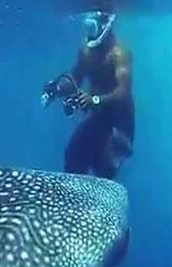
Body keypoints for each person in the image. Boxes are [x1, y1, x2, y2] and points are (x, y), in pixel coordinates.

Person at [43, 11, 134, 179]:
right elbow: (76, 77)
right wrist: (57, 88)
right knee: (73, 156)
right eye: (87, 27)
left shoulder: (119, 54)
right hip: (97, 117)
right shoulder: (86, 50)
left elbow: (123, 92)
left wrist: (96, 100)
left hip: (119, 120)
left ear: (106, 26)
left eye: (92, 27)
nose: (89, 33)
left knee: (104, 166)